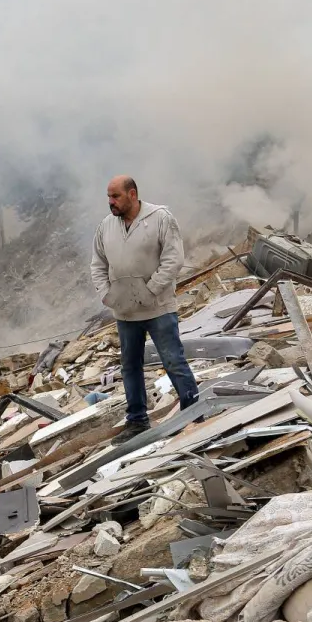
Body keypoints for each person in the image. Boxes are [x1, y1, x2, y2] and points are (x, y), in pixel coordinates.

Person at [90, 175, 199, 443]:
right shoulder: (106, 226)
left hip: (158, 307)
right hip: (125, 311)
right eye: (108, 197)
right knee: (130, 367)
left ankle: (194, 415)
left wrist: (151, 290)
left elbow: (174, 259)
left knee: (173, 361)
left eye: (115, 196)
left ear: (132, 194)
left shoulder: (160, 218)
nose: (110, 202)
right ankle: (137, 420)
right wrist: (106, 294)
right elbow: (98, 264)